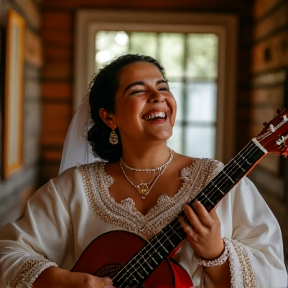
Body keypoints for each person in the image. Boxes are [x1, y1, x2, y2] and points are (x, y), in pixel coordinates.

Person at [0, 54, 287, 288]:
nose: (157, 96)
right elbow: (7, 254)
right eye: (138, 90)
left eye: (163, 87)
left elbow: (274, 276)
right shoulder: (72, 189)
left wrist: (217, 254)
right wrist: (64, 281)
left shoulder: (220, 180)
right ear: (108, 116)